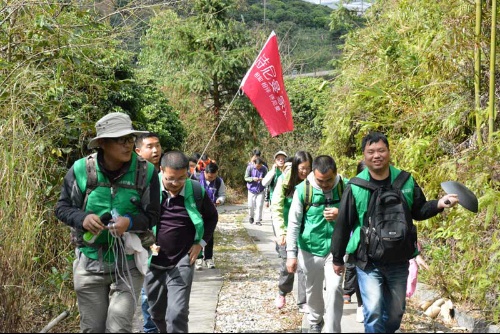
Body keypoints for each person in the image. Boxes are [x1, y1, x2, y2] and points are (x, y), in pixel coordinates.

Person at [331, 131, 459, 333]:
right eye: (371, 151)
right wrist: (337, 258)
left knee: (395, 313)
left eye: (381, 150)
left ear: (389, 152)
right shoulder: (355, 186)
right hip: (367, 260)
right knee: (372, 310)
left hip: (399, 258)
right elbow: (343, 224)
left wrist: (439, 204)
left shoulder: (405, 181)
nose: (376, 155)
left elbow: (419, 210)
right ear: (364, 155)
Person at [54, 112, 160, 333]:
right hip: (90, 261)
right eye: (120, 139)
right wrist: (82, 218)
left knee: (118, 327)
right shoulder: (82, 170)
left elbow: (153, 214)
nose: (128, 144)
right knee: (92, 329)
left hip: (128, 262)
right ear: (102, 143)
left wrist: (128, 222)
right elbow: (62, 208)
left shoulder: (145, 171)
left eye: (130, 138)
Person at [144, 150, 218, 333]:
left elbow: (211, 217)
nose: (175, 184)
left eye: (181, 178)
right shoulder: (148, 189)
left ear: (187, 172)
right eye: (170, 179)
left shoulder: (195, 190)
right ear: (161, 170)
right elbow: (138, 219)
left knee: (177, 313)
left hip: (182, 260)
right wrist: (145, 243)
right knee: (155, 313)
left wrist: (200, 243)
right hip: (153, 259)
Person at [286, 155, 348, 333]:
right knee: (312, 289)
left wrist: (340, 213)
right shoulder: (303, 190)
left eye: (329, 180)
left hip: (336, 249)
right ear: (314, 173)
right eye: (321, 181)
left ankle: (333, 330)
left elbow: (358, 212)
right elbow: (294, 223)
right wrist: (291, 254)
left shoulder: (346, 186)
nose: (326, 185)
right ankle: (315, 319)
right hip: (310, 249)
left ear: (336, 173)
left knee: (335, 288)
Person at [271, 151, 312, 313]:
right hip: (286, 228)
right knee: (287, 263)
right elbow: (276, 206)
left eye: (308, 168)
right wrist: (281, 231)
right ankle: (282, 291)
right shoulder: (284, 180)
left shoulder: (313, 182)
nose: (305, 171)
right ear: (296, 167)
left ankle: (303, 302)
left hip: (304, 228)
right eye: (302, 168)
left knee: (303, 265)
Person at [135, 132, 162, 333]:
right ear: (138, 151)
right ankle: (150, 329)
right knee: (146, 293)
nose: (155, 150)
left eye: (158, 146)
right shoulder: (133, 178)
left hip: (164, 244)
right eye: (149, 146)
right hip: (140, 243)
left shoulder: (166, 175)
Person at [342, 160, 366, 323]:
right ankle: (360, 305)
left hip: (377, 243)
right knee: (355, 271)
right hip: (355, 241)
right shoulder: (352, 188)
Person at [195, 162, 227, 270]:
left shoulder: (219, 181)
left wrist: (220, 200)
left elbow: (222, 194)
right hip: (197, 212)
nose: (212, 178)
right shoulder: (196, 179)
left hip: (211, 212)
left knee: (209, 234)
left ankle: (208, 258)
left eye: (214, 176)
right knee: (197, 234)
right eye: (209, 177)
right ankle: (198, 258)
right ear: (205, 172)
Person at [244, 157, 268, 226]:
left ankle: (258, 220)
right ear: (254, 163)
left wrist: (262, 179)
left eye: (260, 166)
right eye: (257, 166)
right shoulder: (250, 168)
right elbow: (246, 178)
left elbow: (267, 178)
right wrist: (252, 179)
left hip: (260, 189)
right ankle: (251, 216)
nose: (258, 167)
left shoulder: (264, 169)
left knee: (259, 205)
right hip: (251, 190)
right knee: (250, 206)